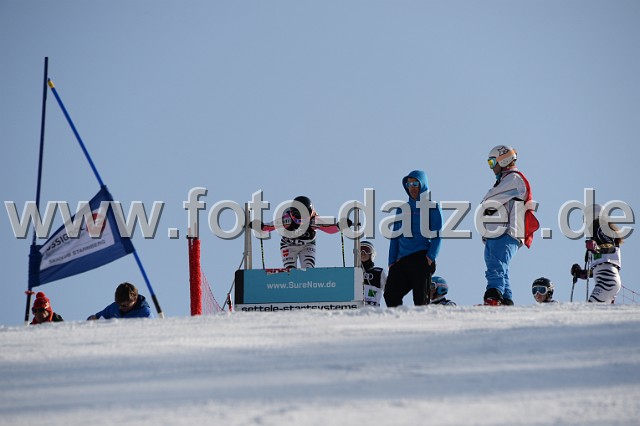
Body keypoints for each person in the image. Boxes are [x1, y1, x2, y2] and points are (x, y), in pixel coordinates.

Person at [481, 145, 539, 306]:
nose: (491, 168)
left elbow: (490, 201)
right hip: (496, 232)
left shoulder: (514, 179)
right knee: (500, 266)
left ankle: (494, 295)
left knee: (496, 265)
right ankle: (506, 299)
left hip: (506, 231)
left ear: (503, 160)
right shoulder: (505, 180)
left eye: (492, 162)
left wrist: (484, 208)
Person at [384, 170, 442, 307]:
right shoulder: (402, 209)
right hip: (401, 260)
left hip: (421, 257)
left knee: (420, 300)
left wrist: (430, 257)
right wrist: (391, 262)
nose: (412, 187)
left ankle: (422, 321)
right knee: (390, 295)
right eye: (409, 184)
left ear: (422, 184)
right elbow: (395, 236)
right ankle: (399, 319)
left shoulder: (432, 207)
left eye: (415, 184)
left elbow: (437, 234)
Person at [571, 205, 623, 303]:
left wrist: (597, 248)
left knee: (590, 309)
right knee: (598, 311)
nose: (586, 223)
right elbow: (598, 268)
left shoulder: (599, 227)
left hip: (607, 281)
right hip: (607, 280)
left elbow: (610, 246)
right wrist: (581, 273)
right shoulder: (597, 234)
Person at [87, 282, 152, 320]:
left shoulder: (145, 313)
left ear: (134, 300)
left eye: (124, 305)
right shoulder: (113, 307)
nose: (120, 308)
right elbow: (94, 318)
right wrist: (91, 320)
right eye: (119, 304)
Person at [360, 241, 387, 306]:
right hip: (355, 309)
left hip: (372, 308)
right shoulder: (352, 273)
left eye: (367, 250)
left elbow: (390, 291)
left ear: (372, 254)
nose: (363, 253)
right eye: (360, 250)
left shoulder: (378, 272)